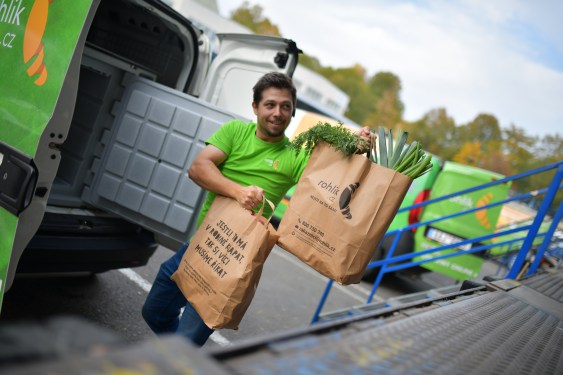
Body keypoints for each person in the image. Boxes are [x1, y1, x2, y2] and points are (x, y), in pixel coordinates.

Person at [142, 71, 371, 347]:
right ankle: (176, 359)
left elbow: (331, 177)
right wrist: (239, 192)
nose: (278, 112)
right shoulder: (235, 132)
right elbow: (198, 168)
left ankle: (174, 360)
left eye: (286, 106)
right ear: (255, 107)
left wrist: (356, 147)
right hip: (198, 247)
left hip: (235, 263)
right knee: (154, 311)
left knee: (185, 343)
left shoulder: (295, 154)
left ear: (292, 111)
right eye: (270, 104)